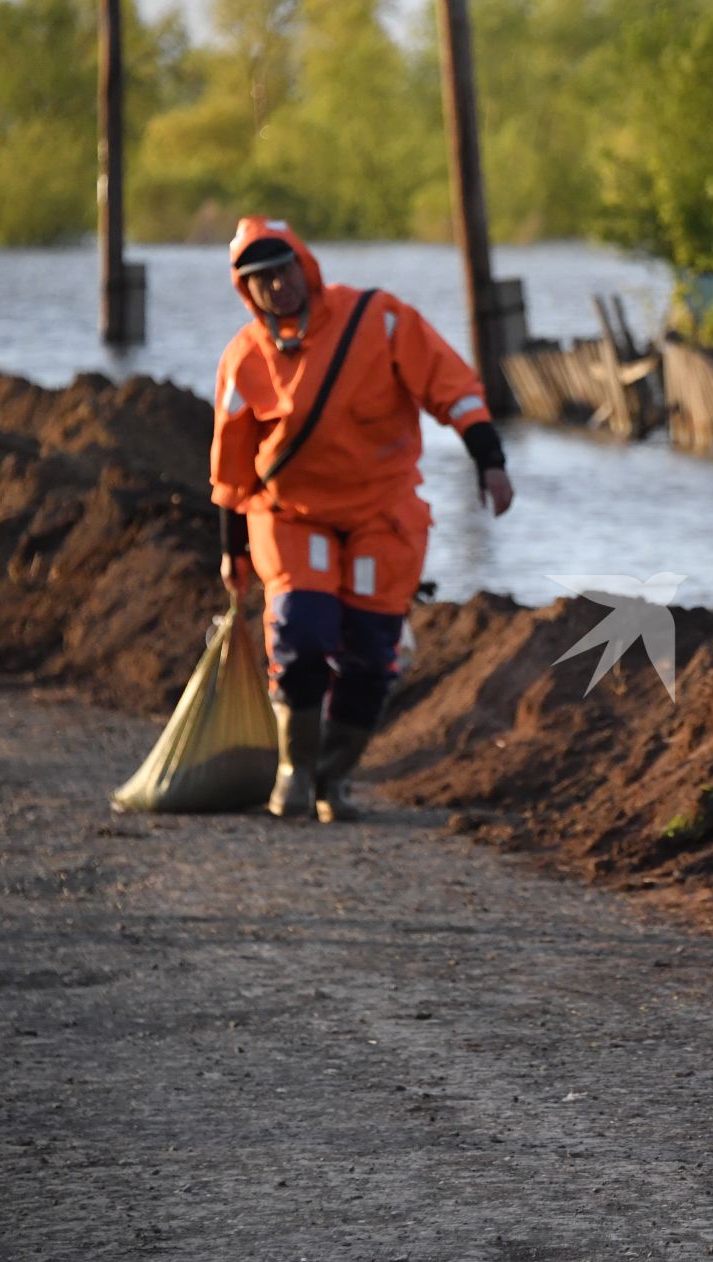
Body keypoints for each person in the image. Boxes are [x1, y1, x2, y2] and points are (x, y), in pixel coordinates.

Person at [210, 217, 514, 822]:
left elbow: (452, 386)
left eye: (283, 270)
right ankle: (294, 775)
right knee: (302, 634)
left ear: (305, 266)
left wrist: (490, 460)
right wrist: (232, 547)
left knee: (373, 655)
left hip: (382, 514)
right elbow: (230, 462)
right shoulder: (244, 357)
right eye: (260, 280)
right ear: (247, 291)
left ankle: (333, 778)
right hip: (292, 517)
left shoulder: (380, 320)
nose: (277, 287)